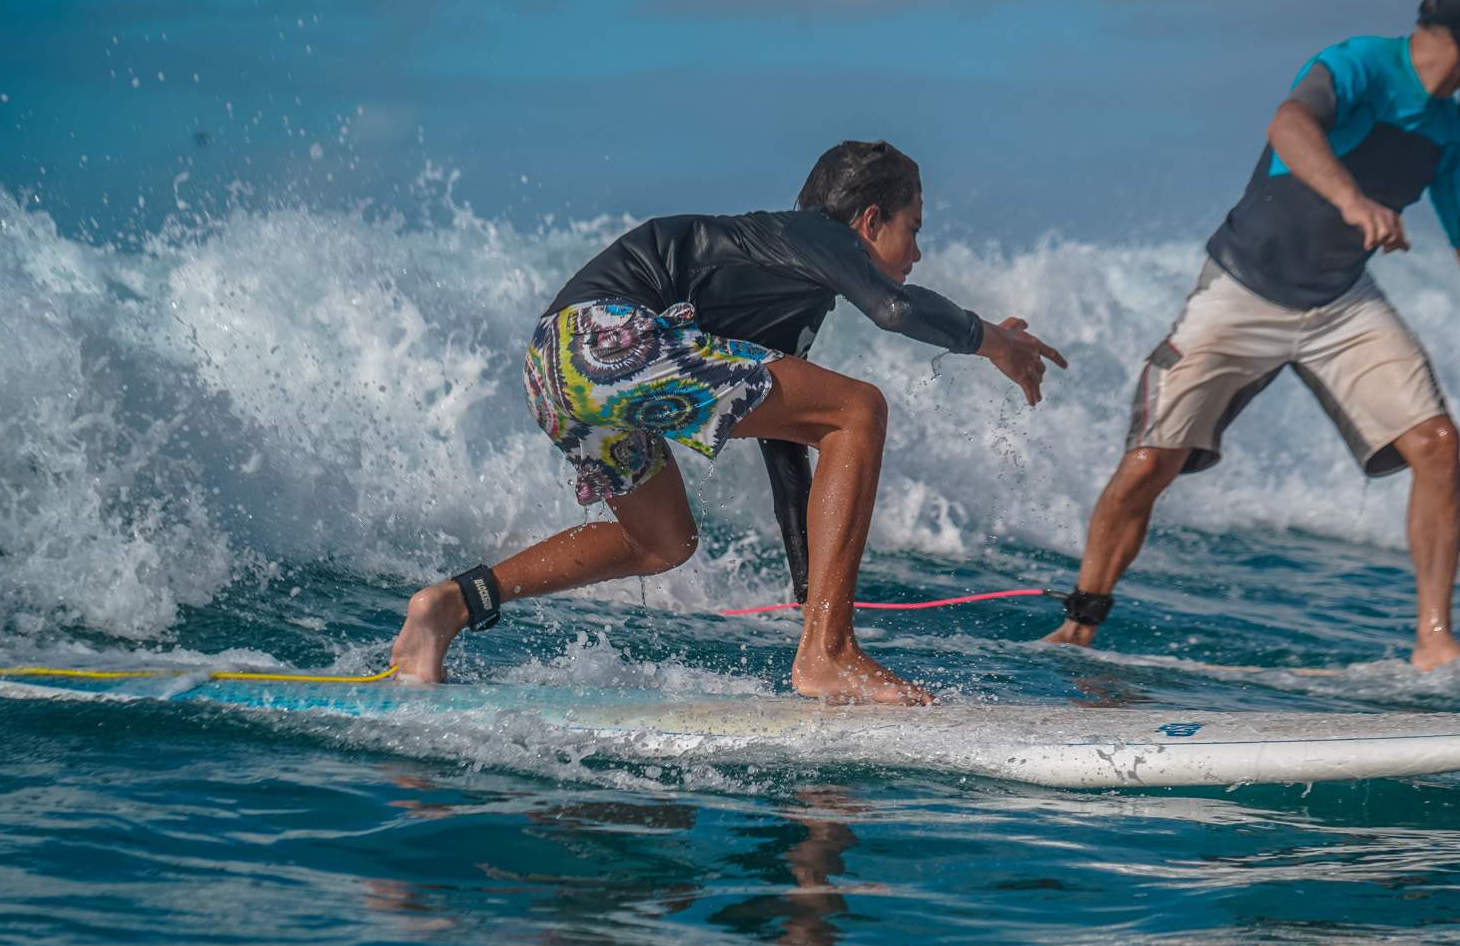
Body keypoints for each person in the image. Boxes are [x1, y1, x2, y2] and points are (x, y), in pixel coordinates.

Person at [389, 140, 1066, 702]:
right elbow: (893, 309)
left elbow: (787, 444)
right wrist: (992, 341)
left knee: (664, 541)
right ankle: (829, 655)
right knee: (862, 408)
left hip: (554, 364)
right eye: (913, 229)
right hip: (611, 334)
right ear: (867, 221)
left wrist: (810, 590)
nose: (916, 252)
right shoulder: (816, 236)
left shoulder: (787, 284)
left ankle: (451, 603)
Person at [1045, 0, 1460, 669]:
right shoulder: (1360, 63)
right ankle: (1080, 625)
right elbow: (1290, 125)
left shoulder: (1450, 134)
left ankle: (1434, 639)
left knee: (1437, 442)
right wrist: (1353, 199)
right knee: (1150, 461)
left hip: (1339, 304)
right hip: (1239, 291)